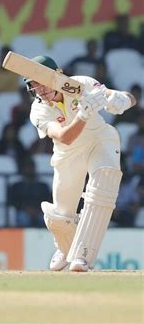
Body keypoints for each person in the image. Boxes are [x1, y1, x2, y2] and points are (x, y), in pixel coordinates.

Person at [24, 55, 136, 272]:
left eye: (41, 82)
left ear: (57, 75)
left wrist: (120, 99)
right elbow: (65, 137)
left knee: (104, 181)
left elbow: (123, 97)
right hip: (68, 151)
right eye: (33, 85)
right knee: (60, 216)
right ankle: (65, 249)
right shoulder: (38, 110)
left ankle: (83, 256)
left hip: (99, 139)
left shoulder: (79, 84)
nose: (39, 90)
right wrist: (83, 114)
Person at [7, 158, 51, 227]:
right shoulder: (16, 186)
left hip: (40, 212)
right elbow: (12, 201)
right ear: (23, 169)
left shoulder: (43, 186)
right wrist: (25, 209)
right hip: (22, 211)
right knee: (23, 218)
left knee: (44, 219)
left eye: (31, 167)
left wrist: (38, 210)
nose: (29, 170)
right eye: (27, 168)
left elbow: (48, 200)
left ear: (35, 169)